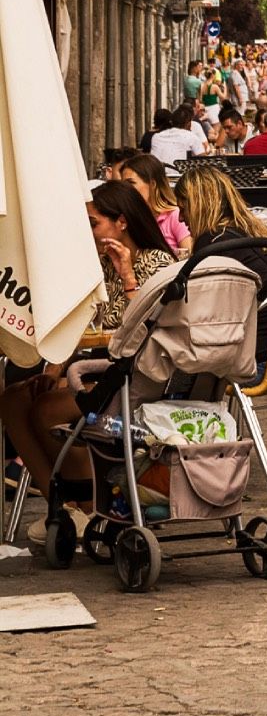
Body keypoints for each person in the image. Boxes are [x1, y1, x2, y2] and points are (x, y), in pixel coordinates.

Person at [0, 182, 175, 539]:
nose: (89, 233)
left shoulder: (158, 263)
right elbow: (79, 324)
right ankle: (61, 508)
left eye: (93, 224)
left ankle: (90, 508)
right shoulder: (98, 264)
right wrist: (52, 371)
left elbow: (149, 331)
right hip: (100, 370)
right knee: (15, 398)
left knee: (48, 410)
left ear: (121, 223)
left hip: (140, 378)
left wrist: (127, 276)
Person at [174, 163, 267, 361]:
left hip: (251, 352)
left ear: (198, 205)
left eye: (183, 209)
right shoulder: (244, 230)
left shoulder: (215, 243)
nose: (180, 218)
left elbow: (200, 310)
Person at [117, 152, 191, 253]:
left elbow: (189, 256)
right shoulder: (127, 220)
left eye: (131, 183)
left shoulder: (175, 217)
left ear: (152, 184)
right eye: (123, 185)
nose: (125, 189)